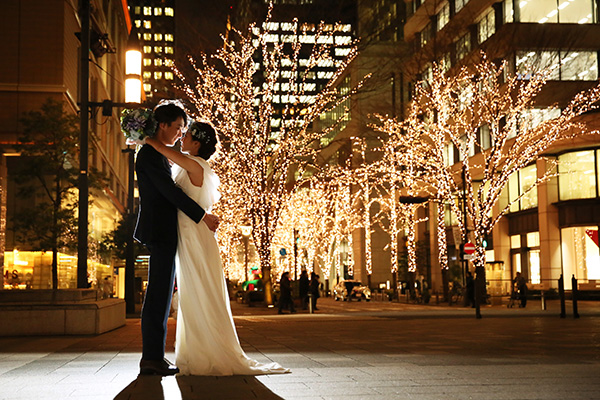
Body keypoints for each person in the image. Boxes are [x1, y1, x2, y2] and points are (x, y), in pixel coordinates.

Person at [145, 120, 288, 376]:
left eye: (186, 134)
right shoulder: (193, 165)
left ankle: (208, 352)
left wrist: (145, 137)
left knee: (200, 289)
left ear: (197, 143)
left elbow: (163, 150)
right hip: (189, 233)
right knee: (195, 291)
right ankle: (197, 351)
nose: (182, 137)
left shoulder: (195, 164)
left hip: (194, 235)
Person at [135, 102, 218, 376]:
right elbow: (170, 192)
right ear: (163, 125)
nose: (180, 134)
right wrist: (202, 216)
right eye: (178, 127)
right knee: (158, 295)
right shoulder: (149, 154)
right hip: (160, 231)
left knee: (160, 294)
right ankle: (151, 358)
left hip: (164, 231)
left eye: (184, 129)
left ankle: (154, 357)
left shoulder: (157, 154)